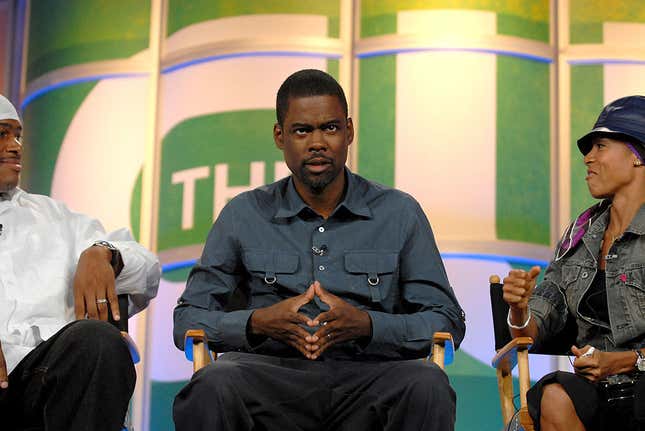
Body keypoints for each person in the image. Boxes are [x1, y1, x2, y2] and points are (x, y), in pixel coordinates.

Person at [173, 69, 466, 430]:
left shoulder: (399, 213)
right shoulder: (243, 214)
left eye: (330, 128)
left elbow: (446, 321)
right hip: (271, 379)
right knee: (213, 384)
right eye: (302, 130)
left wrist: (367, 325)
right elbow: (187, 320)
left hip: (370, 378)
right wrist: (259, 322)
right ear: (280, 136)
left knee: (427, 384)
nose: (317, 142)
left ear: (349, 132)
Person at [0, 94, 160, 430]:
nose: (15, 146)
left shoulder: (56, 219)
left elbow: (148, 270)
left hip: (50, 379)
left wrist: (104, 253)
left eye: (18, 135)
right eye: (2, 133)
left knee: (98, 340)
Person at [503, 95, 645, 431]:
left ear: (638, 155)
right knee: (553, 394)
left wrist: (627, 361)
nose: (588, 158)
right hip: (598, 391)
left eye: (600, 145)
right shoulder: (579, 238)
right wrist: (520, 310)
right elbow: (536, 325)